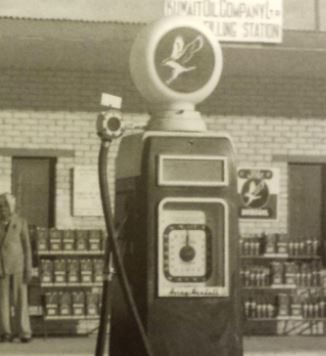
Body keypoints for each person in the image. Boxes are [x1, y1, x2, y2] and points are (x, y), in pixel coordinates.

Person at [0, 193, 32, 342]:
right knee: (3, 300)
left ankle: (24, 332)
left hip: (18, 266)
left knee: (21, 300)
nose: (2, 209)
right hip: (1, 267)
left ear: (11, 207)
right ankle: (5, 332)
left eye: (5, 206)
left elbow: (27, 248)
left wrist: (28, 268)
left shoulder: (20, 222)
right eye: (0, 206)